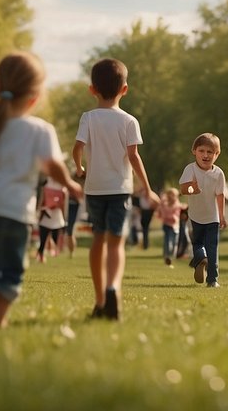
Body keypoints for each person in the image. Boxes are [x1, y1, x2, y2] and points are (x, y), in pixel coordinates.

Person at [0, 52, 81, 329]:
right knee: (11, 270)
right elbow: (52, 165)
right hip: (15, 211)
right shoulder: (39, 129)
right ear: (34, 96)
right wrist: (69, 184)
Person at [71, 57, 158, 321]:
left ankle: (99, 301)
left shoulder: (88, 118)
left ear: (92, 89)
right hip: (120, 189)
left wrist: (79, 168)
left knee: (98, 239)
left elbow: (78, 148)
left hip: (95, 189)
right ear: (125, 89)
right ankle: (113, 288)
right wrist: (147, 188)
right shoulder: (129, 121)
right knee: (116, 242)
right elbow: (133, 157)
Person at [179, 133, 227, 287]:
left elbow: (220, 195)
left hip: (212, 217)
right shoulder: (190, 169)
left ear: (217, 154)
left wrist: (222, 215)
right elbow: (183, 189)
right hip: (195, 216)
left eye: (210, 152)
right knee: (204, 244)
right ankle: (212, 279)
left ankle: (203, 261)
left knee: (203, 245)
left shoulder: (218, 173)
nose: (205, 155)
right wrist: (193, 189)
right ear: (194, 151)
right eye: (201, 151)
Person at [36, 177, 68, 262]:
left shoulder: (60, 186)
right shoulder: (59, 186)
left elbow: (63, 204)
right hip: (48, 213)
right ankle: (42, 255)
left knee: (51, 236)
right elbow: (42, 200)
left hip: (55, 214)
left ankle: (47, 254)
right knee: (45, 237)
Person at [157, 187, 183, 266]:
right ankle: (167, 257)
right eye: (171, 195)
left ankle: (171, 258)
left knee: (175, 243)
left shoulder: (177, 204)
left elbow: (179, 211)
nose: (173, 197)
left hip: (175, 226)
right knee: (168, 243)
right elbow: (162, 210)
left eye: (174, 195)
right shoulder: (164, 204)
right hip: (167, 225)